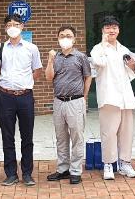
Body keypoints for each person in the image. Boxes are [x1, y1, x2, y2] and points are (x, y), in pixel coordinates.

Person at [0, 13, 42, 187]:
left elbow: (37, 71)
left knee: (27, 137)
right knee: (7, 136)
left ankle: (27, 173)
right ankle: (11, 174)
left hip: (25, 96)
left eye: (16, 24)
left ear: (22, 26)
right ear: (5, 28)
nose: (12, 27)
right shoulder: (0, 48)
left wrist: (25, 83)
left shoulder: (31, 48)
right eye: (9, 25)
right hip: (5, 96)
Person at [90, 16, 135, 180]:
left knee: (126, 132)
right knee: (109, 133)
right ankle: (108, 164)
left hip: (125, 97)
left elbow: (132, 72)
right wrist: (104, 44)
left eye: (114, 28)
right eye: (108, 27)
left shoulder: (124, 49)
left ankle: (125, 163)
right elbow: (99, 62)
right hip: (108, 96)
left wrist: (132, 65)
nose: (111, 30)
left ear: (118, 30)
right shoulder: (97, 48)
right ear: (102, 30)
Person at [44, 25, 91, 185]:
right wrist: (50, 60)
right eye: (62, 35)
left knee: (77, 137)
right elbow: (49, 77)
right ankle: (63, 168)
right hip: (58, 102)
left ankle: (75, 171)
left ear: (74, 39)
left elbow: (88, 77)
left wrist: (84, 97)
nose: (65, 38)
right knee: (61, 137)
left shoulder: (80, 57)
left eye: (69, 35)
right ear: (58, 38)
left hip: (75, 101)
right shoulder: (55, 57)